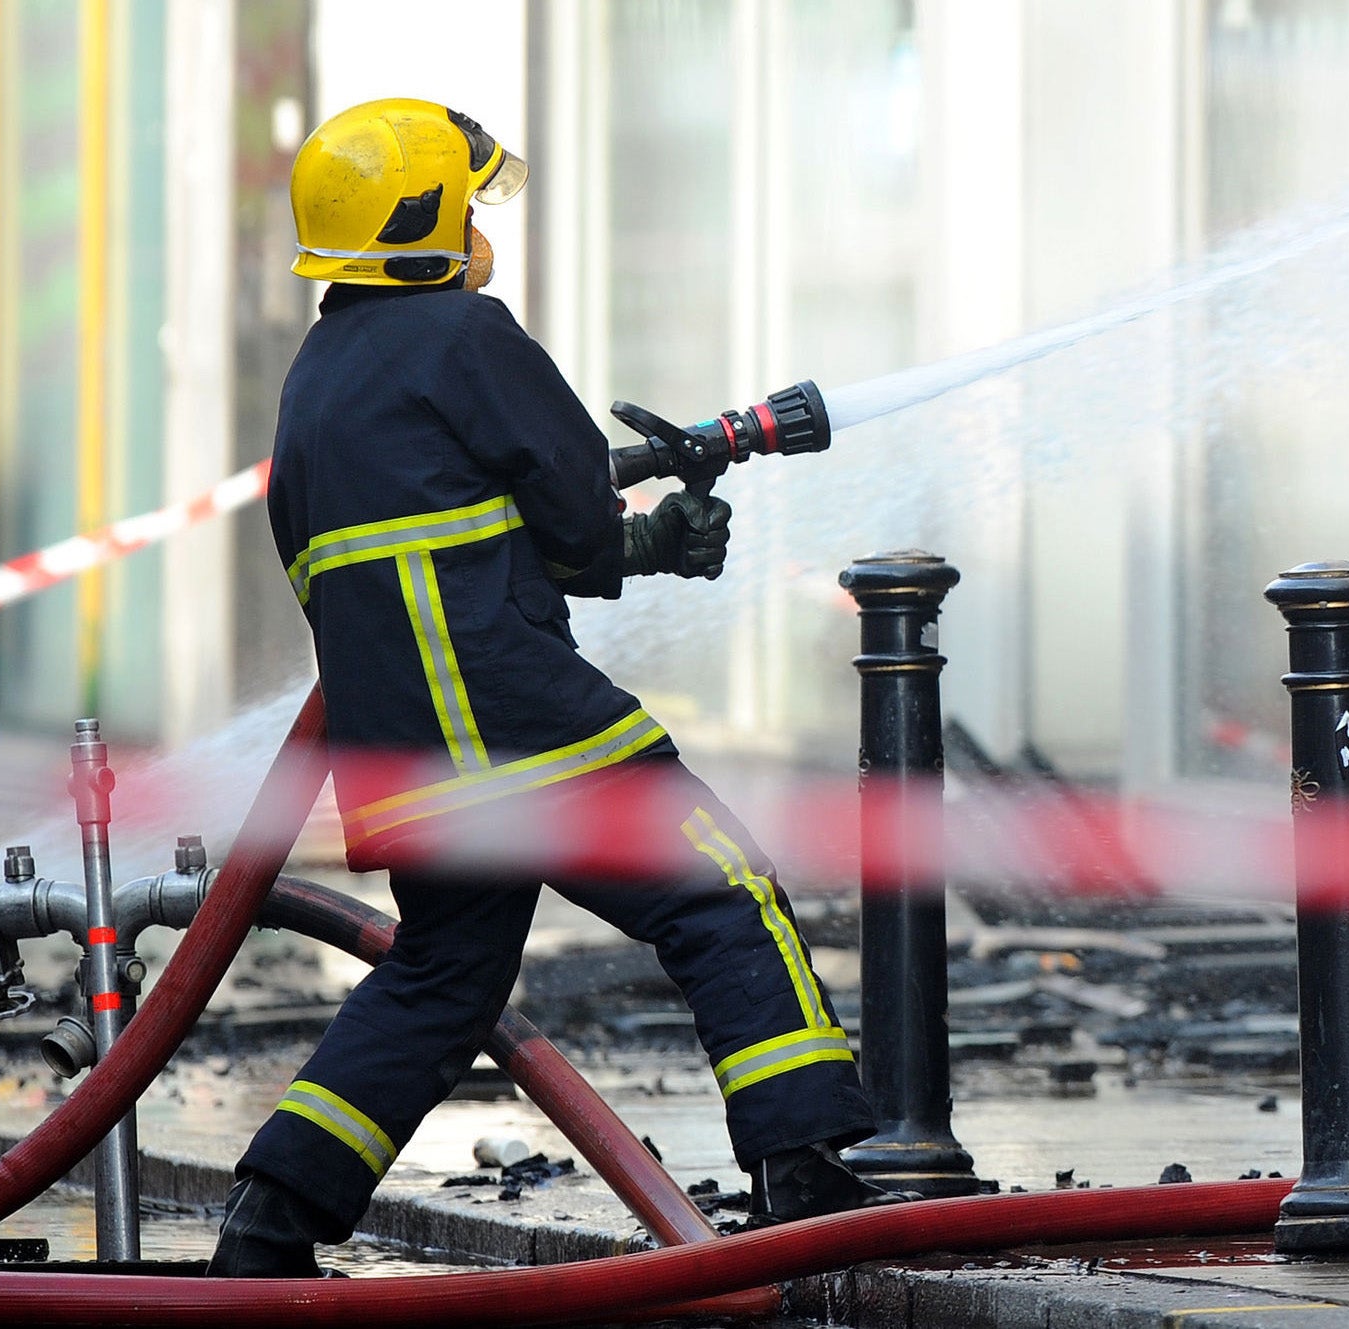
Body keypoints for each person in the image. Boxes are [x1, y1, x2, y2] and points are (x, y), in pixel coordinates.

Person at [207, 97, 905, 1278]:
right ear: (422, 219)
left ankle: (268, 1224)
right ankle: (801, 1169)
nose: (484, 227)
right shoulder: (465, 334)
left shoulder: (315, 385)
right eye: (470, 203)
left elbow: (464, 544)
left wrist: (631, 547)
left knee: (440, 980)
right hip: (521, 726)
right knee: (720, 895)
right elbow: (576, 518)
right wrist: (658, 536)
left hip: (409, 761)